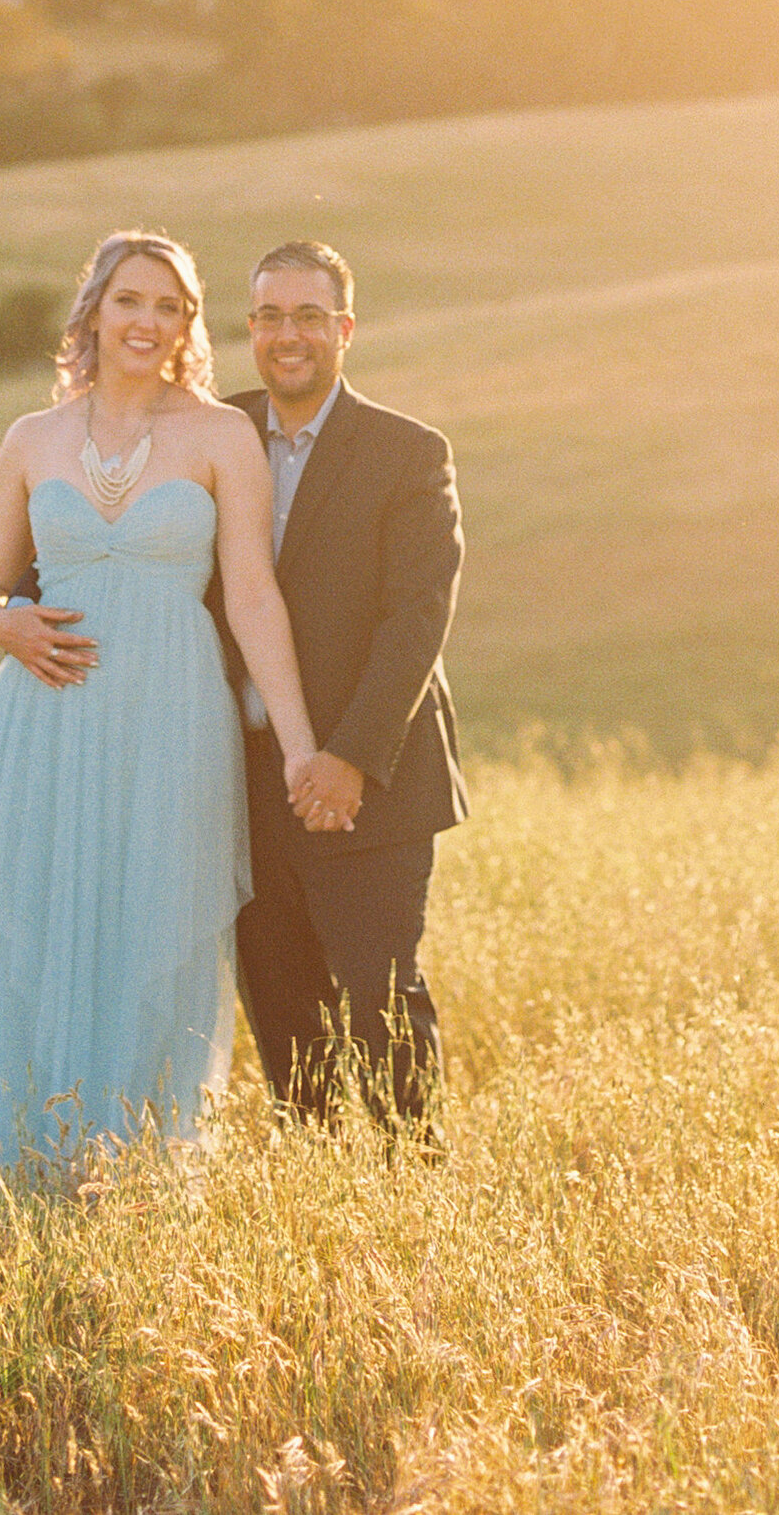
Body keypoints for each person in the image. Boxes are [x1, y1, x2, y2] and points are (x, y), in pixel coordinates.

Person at [0, 229, 337, 1190]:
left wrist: (299, 746)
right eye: (131, 301)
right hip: (44, 715)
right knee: (23, 920)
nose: (149, 322)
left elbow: (255, 597)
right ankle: (0, 1153)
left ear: (188, 326)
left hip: (171, 719)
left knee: (151, 925)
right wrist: (5, 625)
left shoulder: (225, 435)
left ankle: (123, 1167)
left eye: (170, 307)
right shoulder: (31, 439)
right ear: (94, 311)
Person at [230, 239, 467, 1130]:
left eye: (309, 316)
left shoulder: (407, 453)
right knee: (285, 1018)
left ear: (345, 328)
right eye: (271, 317)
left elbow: (417, 621)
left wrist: (349, 760)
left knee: (380, 1003)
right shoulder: (215, 430)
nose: (289, 335)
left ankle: (416, 1193)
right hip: (247, 784)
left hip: (375, 779)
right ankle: (325, 1202)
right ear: (250, 328)